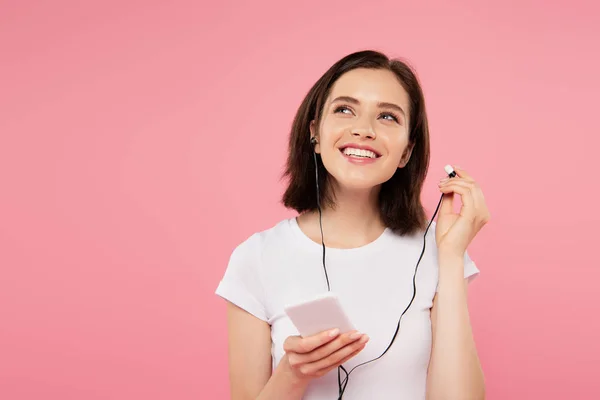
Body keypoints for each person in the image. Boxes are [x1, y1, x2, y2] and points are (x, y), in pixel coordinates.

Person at [215, 50, 490, 400]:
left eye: (388, 117)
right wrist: (293, 374)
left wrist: (451, 256)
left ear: (406, 151)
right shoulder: (256, 257)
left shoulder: (439, 252)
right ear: (315, 133)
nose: (364, 130)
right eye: (345, 110)